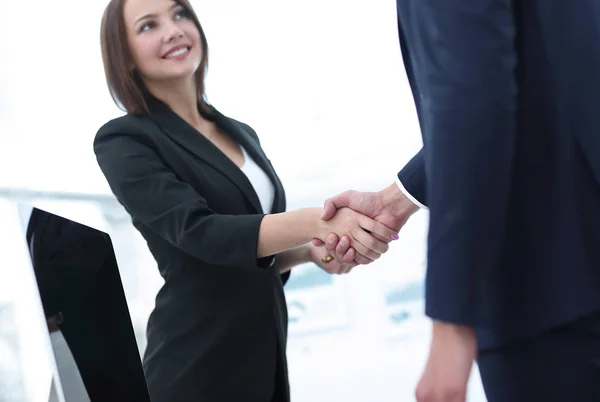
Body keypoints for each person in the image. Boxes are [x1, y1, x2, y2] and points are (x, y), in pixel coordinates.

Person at [95, 0, 398, 401]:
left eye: (180, 14)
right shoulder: (124, 140)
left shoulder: (240, 133)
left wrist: (309, 253)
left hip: (264, 355)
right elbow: (199, 233)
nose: (173, 29)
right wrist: (320, 222)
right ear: (125, 55)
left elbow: (245, 255)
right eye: (149, 25)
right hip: (196, 366)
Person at [317, 1, 600, 401]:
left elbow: (473, 106)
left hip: (551, 288)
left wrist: (452, 324)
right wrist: (395, 200)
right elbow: (532, 84)